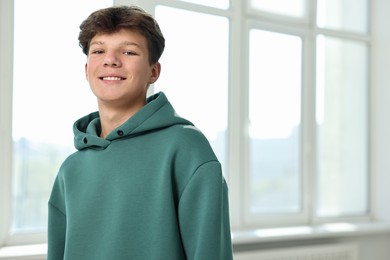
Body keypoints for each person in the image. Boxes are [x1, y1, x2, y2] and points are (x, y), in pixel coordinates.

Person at [47, 5, 233, 260]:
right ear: (87, 69)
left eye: (128, 51)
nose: (110, 60)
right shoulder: (71, 169)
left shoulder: (186, 148)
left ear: (153, 71)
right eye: (99, 50)